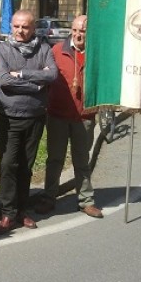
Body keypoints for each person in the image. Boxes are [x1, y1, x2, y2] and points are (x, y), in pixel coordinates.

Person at [0, 9, 57, 235]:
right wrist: (37, 83)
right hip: (10, 117)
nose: (20, 31)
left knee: (26, 166)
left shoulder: (44, 49)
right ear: (11, 26)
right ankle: (7, 213)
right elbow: (3, 80)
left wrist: (20, 74)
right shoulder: (1, 50)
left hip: (35, 117)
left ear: (33, 28)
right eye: (17, 26)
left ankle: (21, 210)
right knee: (8, 164)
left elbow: (52, 76)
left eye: (25, 27)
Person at [34, 16, 103, 218]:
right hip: (58, 116)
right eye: (75, 30)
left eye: (83, 31)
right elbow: (43, 78)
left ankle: (86, 201)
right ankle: (49, 197)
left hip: (84, 117)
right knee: (54, 159)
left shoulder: (95, 55)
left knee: (82, 160)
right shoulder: (56, 51)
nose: (78, 35)